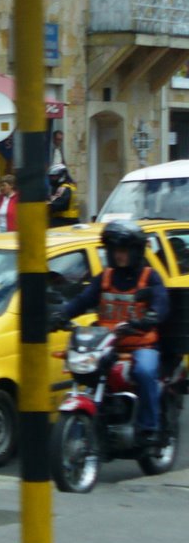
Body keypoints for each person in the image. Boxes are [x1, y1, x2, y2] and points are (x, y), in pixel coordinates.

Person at [55, 220, 168, 443]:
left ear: (136, 251)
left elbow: (161, 302)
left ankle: (149, 427)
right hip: (107, 346)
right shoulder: (105, 277)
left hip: (140, 345)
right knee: (85, 371)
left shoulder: (149, 277)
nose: (119, 255)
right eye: (115, 250)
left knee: (145, 371)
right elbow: (82, 300)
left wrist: (151, 317)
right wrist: (60, 316)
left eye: (124, 250)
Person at [48, 162, 79, 226]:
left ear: (62, 176)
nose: (52, 179)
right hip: (70, 220)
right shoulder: (70, 186)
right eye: (51, 177)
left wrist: (45, 207)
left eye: (54, 177)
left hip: (65, 221)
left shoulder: (64, 188)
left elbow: (59, 204)